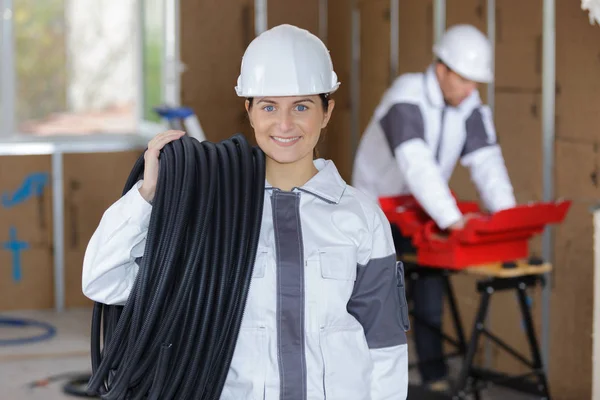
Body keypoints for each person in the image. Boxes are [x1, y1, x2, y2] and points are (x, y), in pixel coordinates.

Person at [82, 24, 409, 400]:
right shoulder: (208, 213)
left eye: (301, 106)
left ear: (327, 112)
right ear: (249, 111)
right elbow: (103, 281)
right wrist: (148, 193)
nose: (285, 124)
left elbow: (384, 342)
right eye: (269, 106)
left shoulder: (360, 216)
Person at [352, 24, 516, 391]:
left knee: (429, 293)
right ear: (441, 69)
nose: (472, 89)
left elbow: (487, 160)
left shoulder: (467, 102)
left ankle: (433, 379)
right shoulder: (406, 96)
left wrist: (507, 219)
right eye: (465, 80)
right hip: (378, 212)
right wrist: (453, 219)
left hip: (422, 210)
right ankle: (370, 385)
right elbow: (417, 164)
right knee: (379, 301)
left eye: (477, 82)